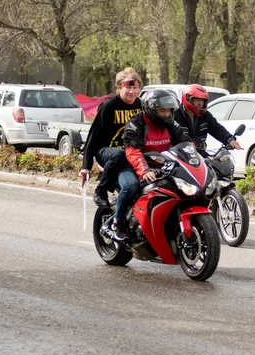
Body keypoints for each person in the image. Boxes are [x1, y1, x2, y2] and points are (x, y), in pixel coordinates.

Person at [109, 89, 190, 241]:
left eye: (168, 111)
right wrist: (144, 170)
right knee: (131, 186)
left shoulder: (170, 123)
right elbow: (133, 152)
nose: (166, 114)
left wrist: (199, 160)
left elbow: (184, 143)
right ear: (151, 110)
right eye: (162, 110)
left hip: (159, 165)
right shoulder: (135, 124)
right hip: (131, 166)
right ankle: (117, 223)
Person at [79, 67, 143, 208]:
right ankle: (100, 191)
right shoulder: (109, 105)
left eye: (135, 88)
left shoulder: (141, 105)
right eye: (128, 88)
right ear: (119, 87)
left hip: (131, 152)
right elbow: (94, 135)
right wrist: (86, 166)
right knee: (119, 154)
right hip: (107, 151)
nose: (132, 92)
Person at [173, 84, 241, 157]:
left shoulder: (204, 115)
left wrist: (230, 139)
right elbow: (172, 137)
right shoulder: (175, 115)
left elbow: (217, 129)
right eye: (197, 100)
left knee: (216, 166)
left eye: (202, 101)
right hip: (179, 156)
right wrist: (188, 144)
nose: (200, 103)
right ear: (188, 98)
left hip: (200, 155)